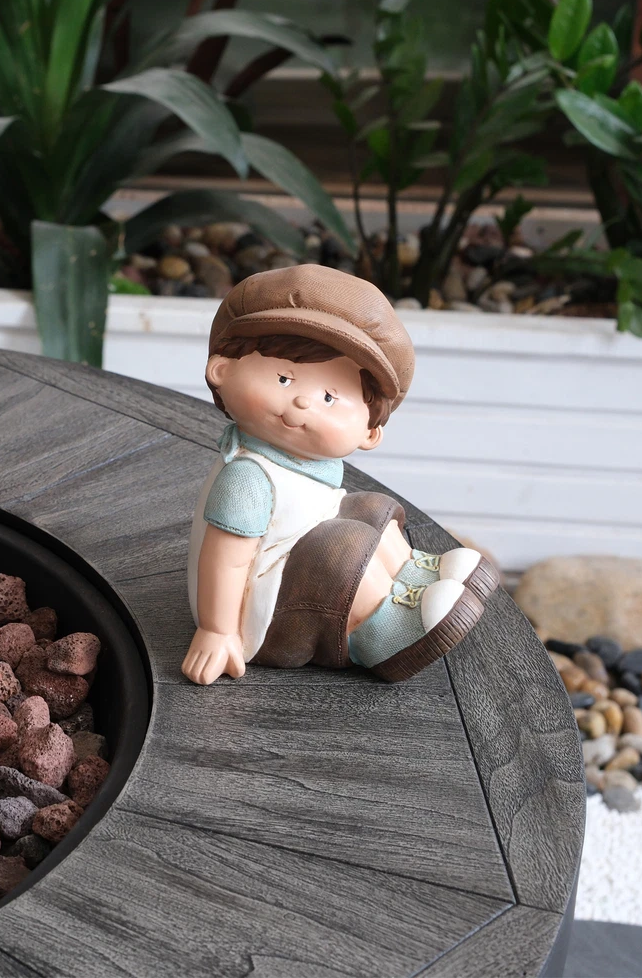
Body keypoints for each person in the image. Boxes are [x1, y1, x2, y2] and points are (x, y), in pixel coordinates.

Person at [184, 264, 498, 686]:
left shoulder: (303, 462)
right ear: (221, 370)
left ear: (370, 432)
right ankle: (377, 631)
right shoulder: (247, 478)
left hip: (288, 573)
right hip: (260, 620)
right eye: (284, 378)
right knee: (343, 545)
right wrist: (218, 631)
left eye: (330, 397)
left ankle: (410, 578)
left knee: (371, 506)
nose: (302, 402)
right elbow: (227, 558)